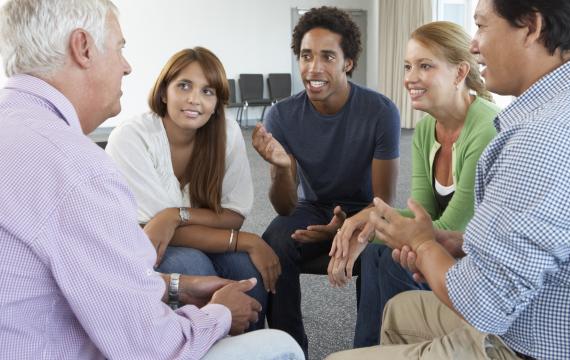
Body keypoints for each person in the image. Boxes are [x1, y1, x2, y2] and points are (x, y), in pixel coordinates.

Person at [328, 0, 570, 359]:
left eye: (481, 26)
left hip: (530, 346)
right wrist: (453, 241)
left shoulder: (549, 136)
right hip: (543, 316)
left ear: (532, 27)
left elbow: (481, 302)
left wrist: (425, 246)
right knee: (398, 311)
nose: (474, 44)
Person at [0, 1, 303, 359]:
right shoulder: (79, 169)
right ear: (83, 47)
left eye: (207, 91)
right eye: (119, 48)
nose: (127, 66)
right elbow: (152, 347)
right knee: (281, 347)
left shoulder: (20, 131)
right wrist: (220, 314)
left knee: (235, 269)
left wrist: (177, 286)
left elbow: (94, 279)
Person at [327, 21, 499, 348]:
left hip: (475, 260)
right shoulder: (425, 130)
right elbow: (421, 212)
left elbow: (449, 227)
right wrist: (363, 224)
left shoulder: (485, 127)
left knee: (390, 253)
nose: (410, 78)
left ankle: (402, 349)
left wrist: (367, 229)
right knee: (379, 253)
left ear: (460, 73)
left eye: (425, 66)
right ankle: (371, 350)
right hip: (443, 248)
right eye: (408, 66)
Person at [251, 6, 401, 355]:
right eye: (306, 56)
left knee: (384, 249)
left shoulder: (380, 111)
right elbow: (285, 205)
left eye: (327, 57)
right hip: (312, 206)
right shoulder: (282, 114)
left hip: (366, 209)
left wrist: (344, 228)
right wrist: (283, 167)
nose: (313, 68)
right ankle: (290, 347)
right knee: (274, 240)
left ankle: (369, 350)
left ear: (348, 62)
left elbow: (384, 203)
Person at [106, 47, 278, 329]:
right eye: (184, 86)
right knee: (193, 265)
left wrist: (174, 216)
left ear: (217, 102)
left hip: (197, 236)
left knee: (247, 272)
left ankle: (252, 348)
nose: (194, 99)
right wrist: (247, 240)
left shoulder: (226, 132)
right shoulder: (131, 138)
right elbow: (154, 230)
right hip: (141, 247)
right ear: (164, 92)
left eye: (207, 91)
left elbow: (233, 214)